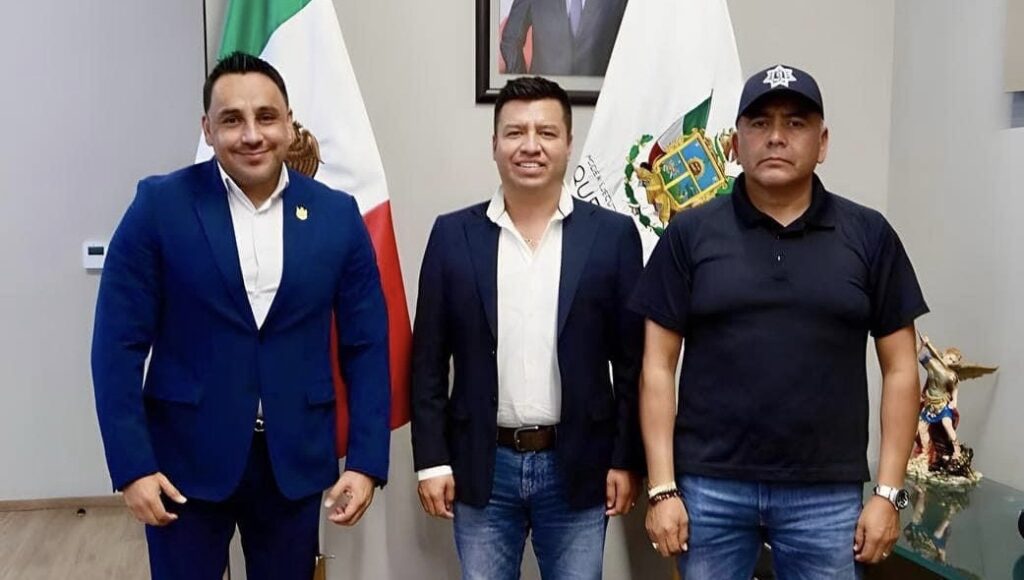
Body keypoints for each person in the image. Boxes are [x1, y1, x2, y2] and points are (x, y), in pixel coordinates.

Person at [91, 52, 391, 580]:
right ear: (207, 129)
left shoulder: (336, 215)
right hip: (183, 464)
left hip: (292, 464)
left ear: (289, 124)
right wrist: (133, 466)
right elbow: (116, 346)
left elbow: (365, 345)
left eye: (266, 117)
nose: (251, 134)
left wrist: (366, 461)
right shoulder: (158, 207)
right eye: (232, 119)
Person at [630, 64, 929, 578]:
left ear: (823, 142)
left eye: (795, 123)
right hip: (710, 489)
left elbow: (902, 369)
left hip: (826, 495)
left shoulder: (869, 234)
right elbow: (656, 366)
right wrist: (662, 488)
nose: (775, 137)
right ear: (734, 144)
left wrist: (888, 493)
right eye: (759, 123)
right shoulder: (689, 234)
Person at [410, 76, 644, 579]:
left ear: (568, 143)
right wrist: (431, 461)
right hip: (482, 467)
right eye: (515, 132)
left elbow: (633, 365)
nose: (531, 146)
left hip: (579, 465)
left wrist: (626, 459)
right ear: (494, 143)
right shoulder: (452, 235)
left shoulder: (612, 236)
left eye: (547, 132)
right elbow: (427, 362)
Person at [500, 0, 627, 76]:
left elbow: (629, 45)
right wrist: (525, 85)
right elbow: (511, 40)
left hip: (597, 101)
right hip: (544, 96)